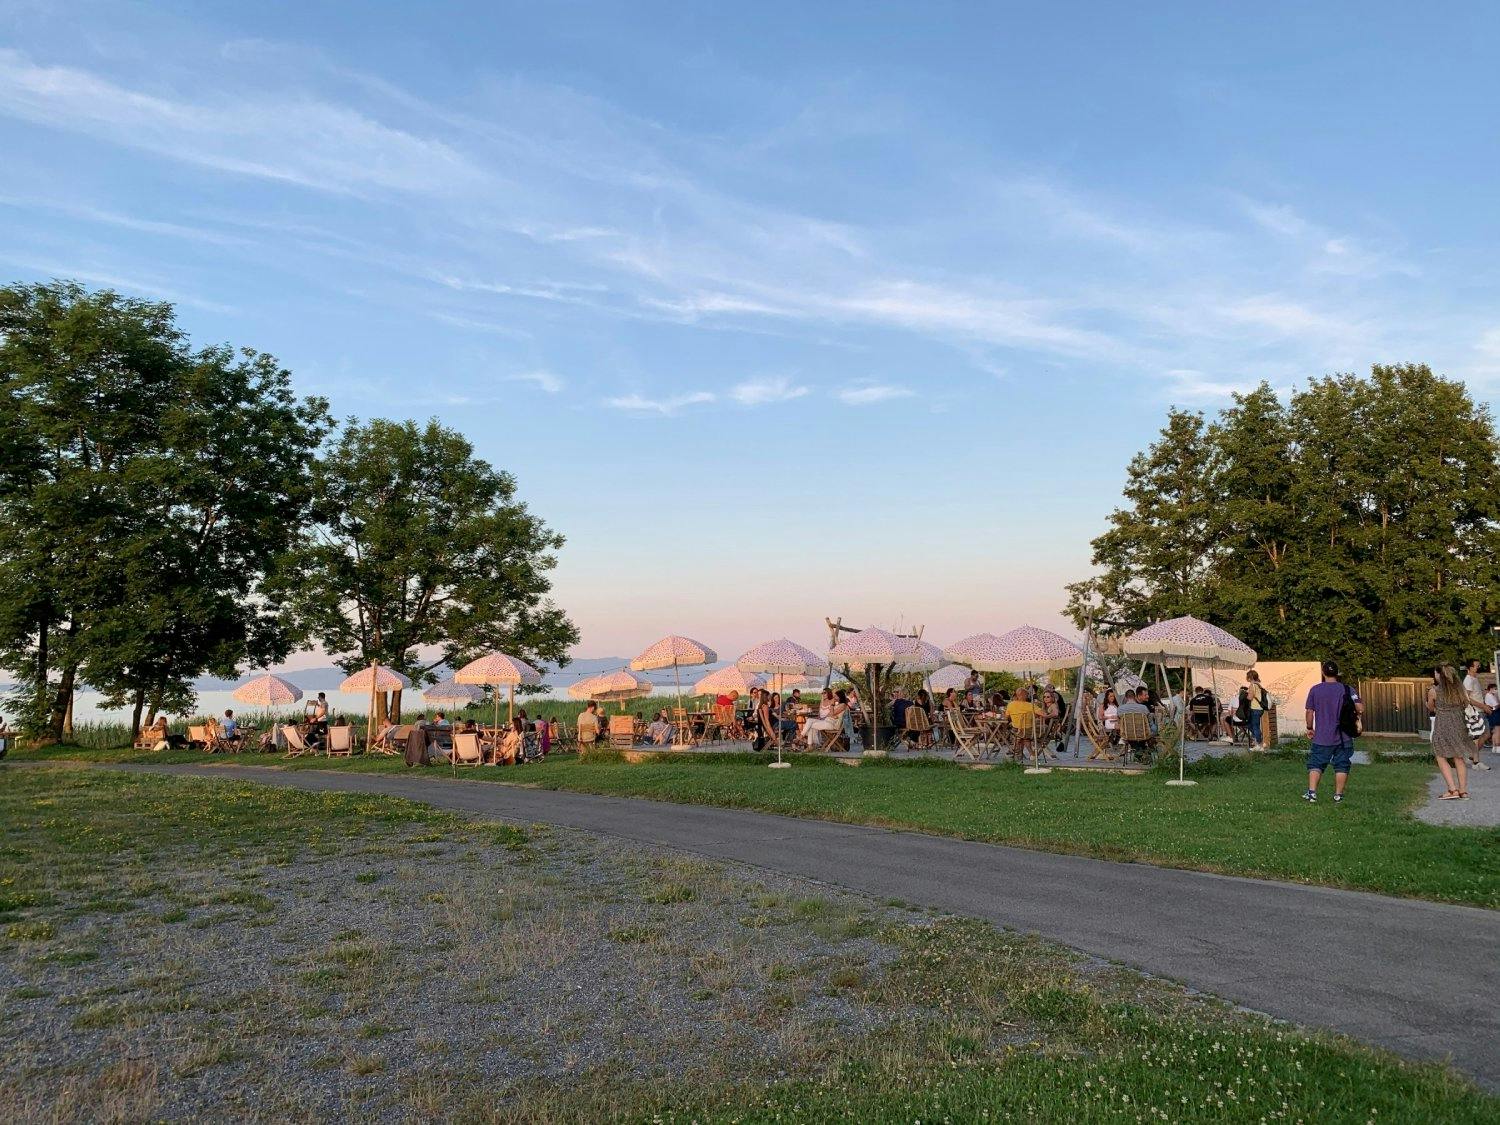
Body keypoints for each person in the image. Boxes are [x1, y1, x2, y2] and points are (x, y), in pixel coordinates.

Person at [1303, 660, 1362, 804]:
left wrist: (1310, 728)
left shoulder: (1315, 689)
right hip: (1344, 736)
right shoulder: (1347, 689)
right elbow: (1360, 708)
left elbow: (1310, 711)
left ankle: (1312, 793)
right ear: (1337, 673)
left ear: (1323, 673)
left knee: (1316, 764)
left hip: (1322, 736)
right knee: (1342, 765)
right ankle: (1338, 795)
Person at [1428, 666, 1471, 800]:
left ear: (1439, 675)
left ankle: (1452, 790)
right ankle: (1463, 791)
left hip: (1442, 726)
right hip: (1459, 725)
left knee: (1441, 756)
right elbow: (1466, 704)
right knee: (1459, 757)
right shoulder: (1460, 690)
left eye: (1435, 673)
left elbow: (1431, 708)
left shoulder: (1434, 691)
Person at [1462, 659, 1491, 770]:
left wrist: (1485, 706)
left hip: (1480, 710)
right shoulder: (1468, 680)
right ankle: (1476, 762)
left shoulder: (1474, 679)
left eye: (1479, 665)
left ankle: (1471, 756)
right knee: (1477, 736)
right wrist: (1483, 706)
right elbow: (1467, 698)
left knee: (1486, 734)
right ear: (1470, 668)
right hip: (1475, 711)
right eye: (1476, 666)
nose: (1478, 667)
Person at [1005, 687, 1037, 760]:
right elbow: (1042, 714)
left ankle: (1017, 753)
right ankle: (1029, 754)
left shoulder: (1010, 705)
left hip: (1017, 730)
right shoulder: (1030, 705)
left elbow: (1006, 718)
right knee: (1023, 736)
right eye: (1027, 694)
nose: (1028, 696)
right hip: (1028, 730)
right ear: (1023, 695)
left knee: (1020, 735)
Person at [1245, 670, 1270, 749]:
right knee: (1253, 725)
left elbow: (1250, 697)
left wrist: (1245, 695)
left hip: (1255, 708)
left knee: (1254, 726)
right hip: (1260, 709)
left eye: (1247, 676)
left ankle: (1259, 744)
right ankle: (1258, 739)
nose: (1246, 678)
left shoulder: (1252, 685)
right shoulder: (1258, 685)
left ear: (1250, 677)